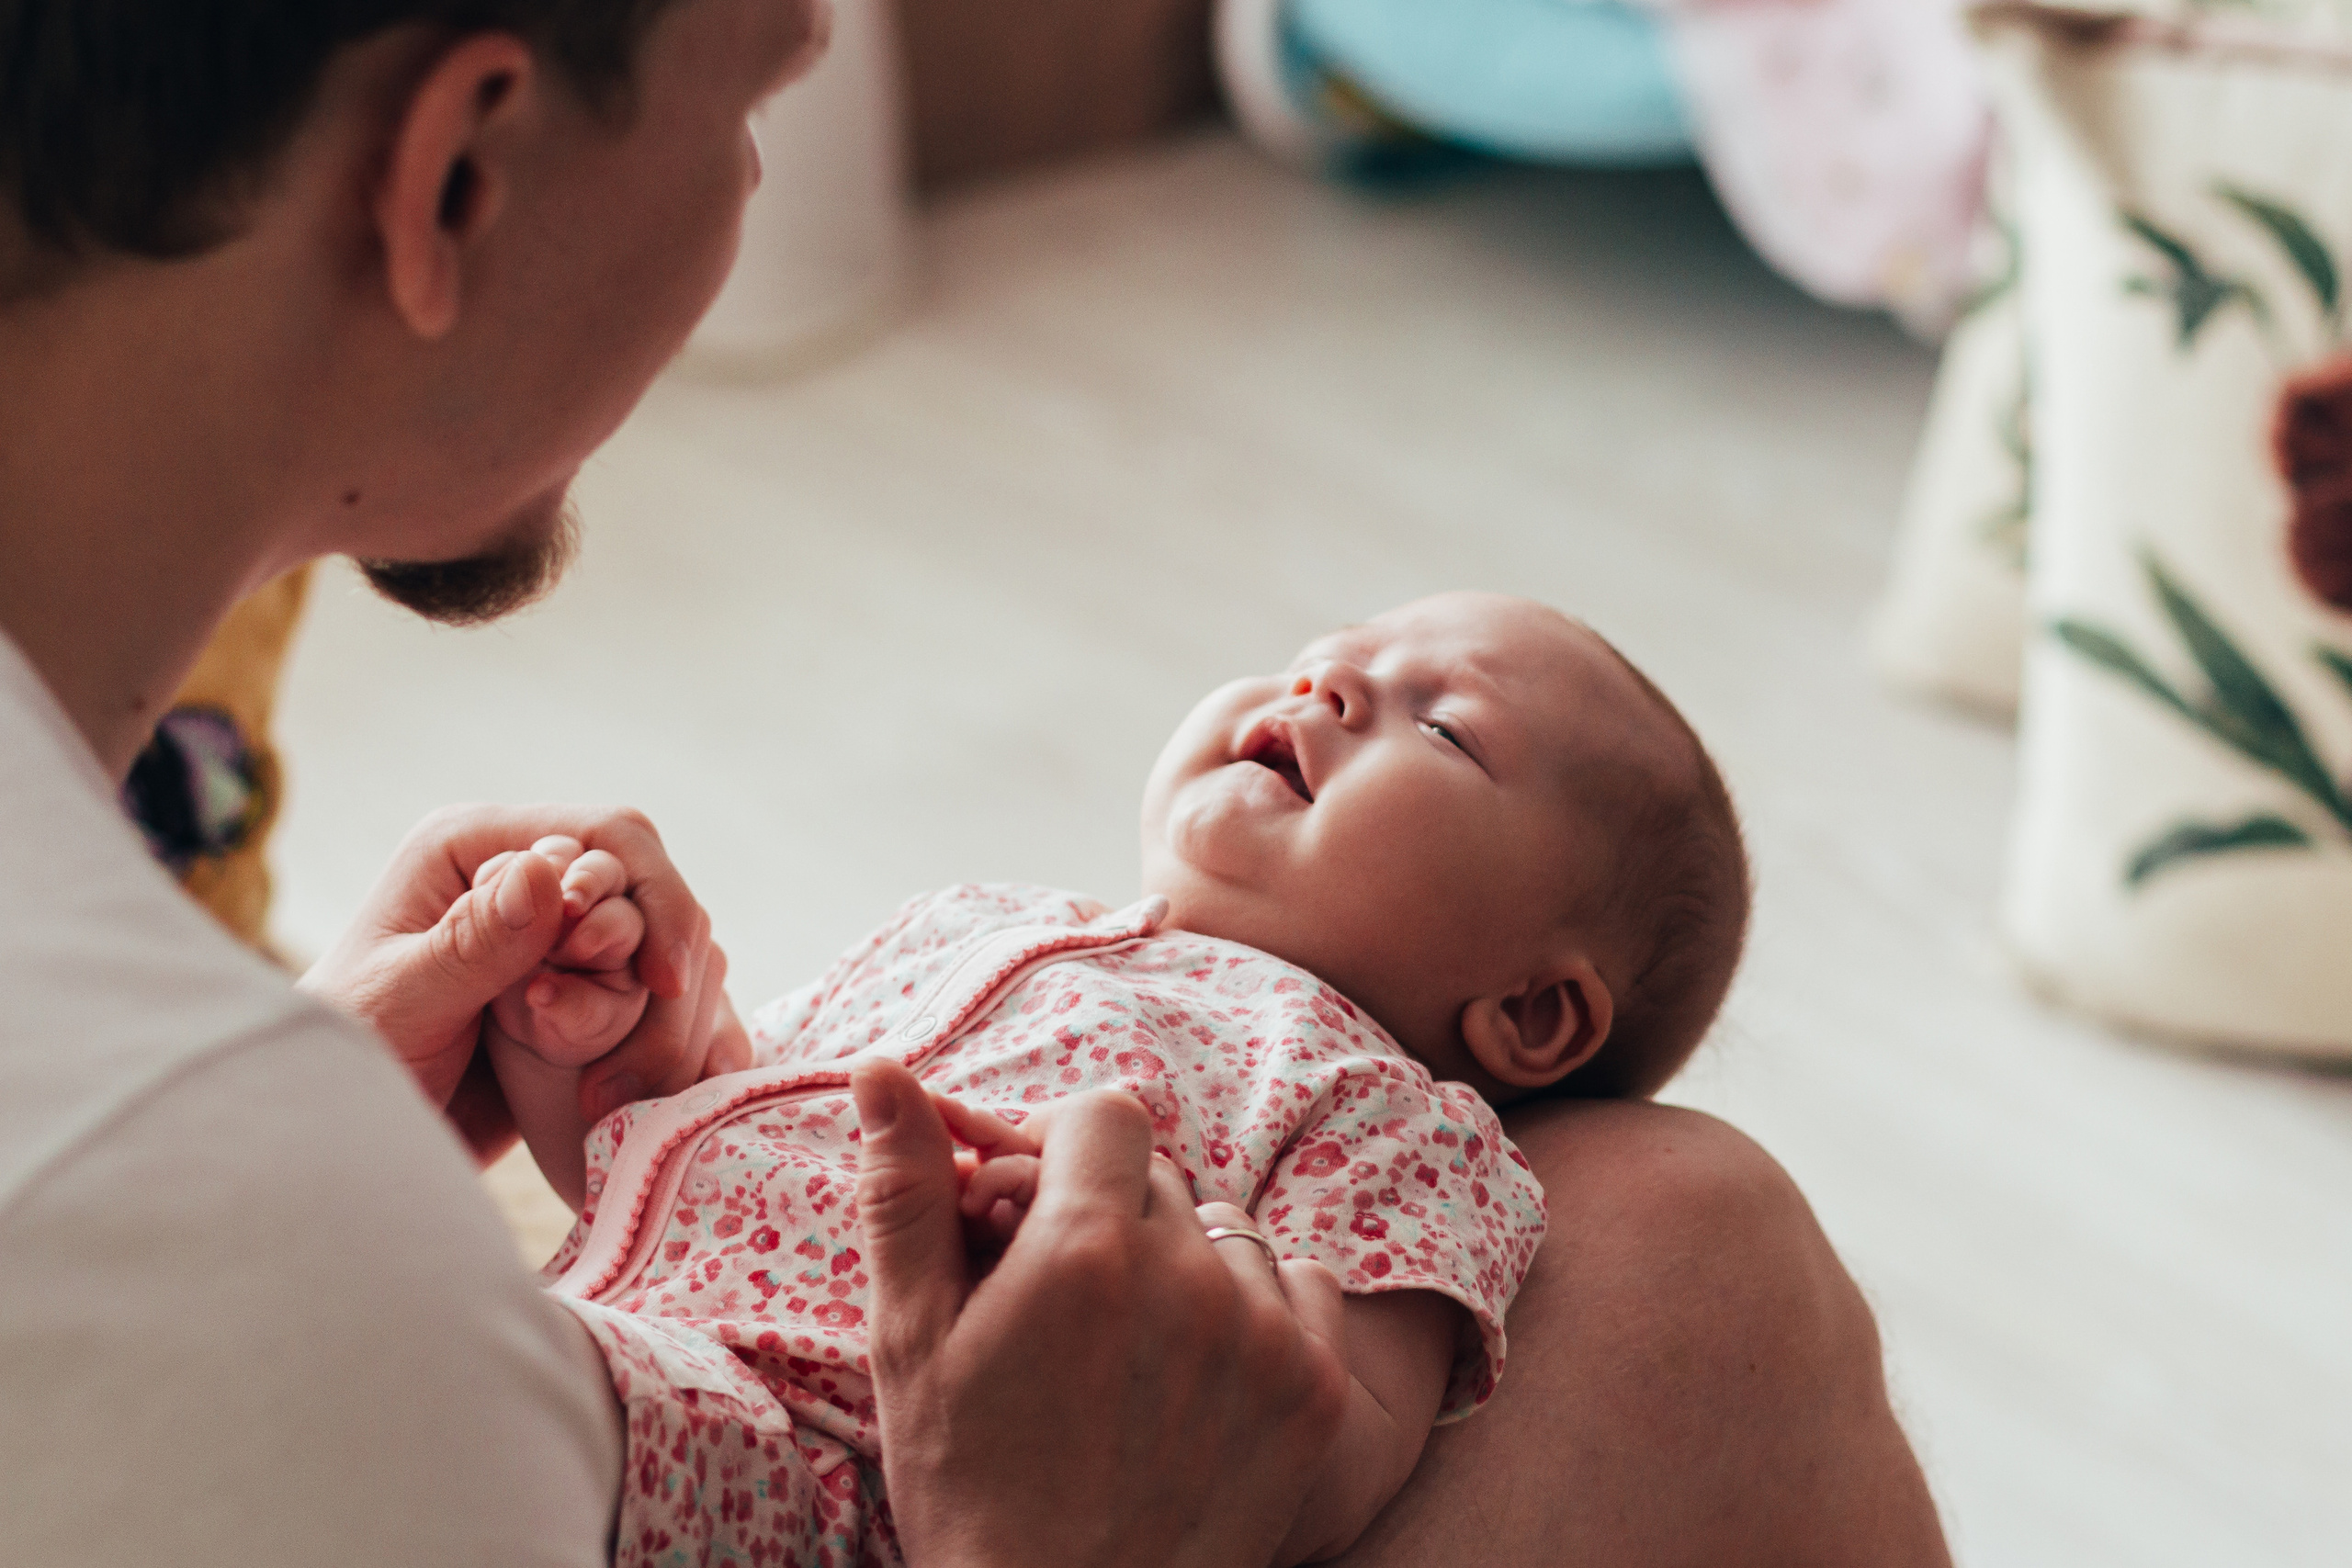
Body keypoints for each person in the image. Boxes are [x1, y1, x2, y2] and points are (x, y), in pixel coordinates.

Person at [0, 4, 1953, 1567]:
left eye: (1433, 726)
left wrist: (624, 1100)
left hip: (614, 1340)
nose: (1321, 686)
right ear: (459, 174)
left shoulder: (180, 1147)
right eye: (757, 99)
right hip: (728, 1442)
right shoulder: (221, 1256)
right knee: (1683, 1249)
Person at [476, 592, 1744, 1565]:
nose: (1332, 683)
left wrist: (1160, 1277)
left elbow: (1324, 1425)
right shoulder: (984, 917)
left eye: (1447, 726)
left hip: (812, 1468)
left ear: (1529, 1011)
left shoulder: (1388, 1113)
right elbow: (713, 1137)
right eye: (1333, 650)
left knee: (459, 1402)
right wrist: (590, 1057)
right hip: (621, 1326)